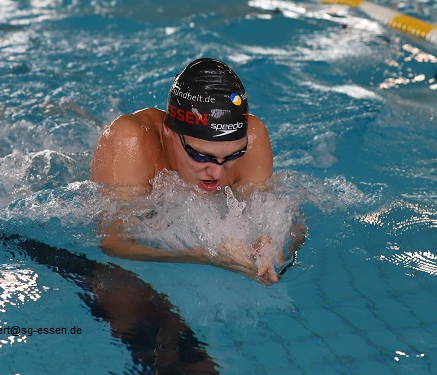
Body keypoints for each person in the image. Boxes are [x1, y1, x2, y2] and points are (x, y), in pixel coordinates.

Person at [91, 58, 290, 285]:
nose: (217, 173)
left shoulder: (252, 139)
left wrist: (271, 245)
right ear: (169, 131)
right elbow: (114, 243)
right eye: (201, 155)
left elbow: (277, 217)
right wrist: (206, 255)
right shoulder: (129, 142)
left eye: (233, 155)